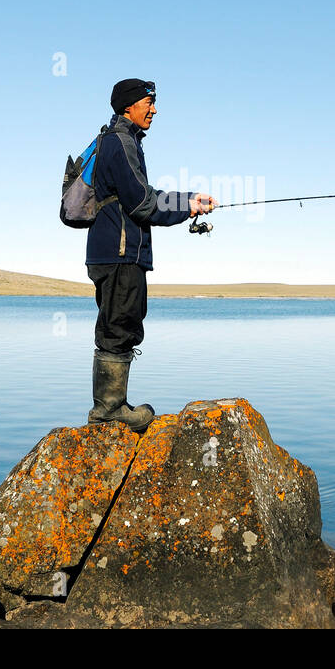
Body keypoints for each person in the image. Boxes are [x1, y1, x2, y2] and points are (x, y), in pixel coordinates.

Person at [84, 78, 215, 432]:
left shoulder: (118, 141)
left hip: (114, 252)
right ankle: (109, 410)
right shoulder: (120, 142)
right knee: (118, 326)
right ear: (129, 106)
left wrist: (189, 200)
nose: (154, 109)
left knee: (121, 324)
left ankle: (113, 406)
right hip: (119, 253)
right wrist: (186, 206)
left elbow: (144, 194)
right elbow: (143, 203)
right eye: (148, 102)